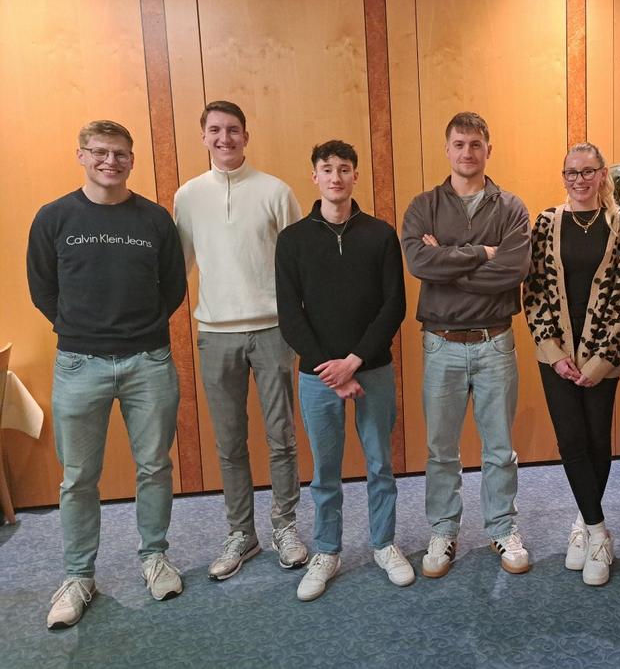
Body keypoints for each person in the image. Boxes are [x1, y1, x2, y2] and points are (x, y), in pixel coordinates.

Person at [27, 120, 187, 628]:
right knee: (78, 478)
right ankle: (78, 576)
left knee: (154, 466)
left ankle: (154, 557)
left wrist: (142, 327)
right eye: (99, 152)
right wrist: (79, 327)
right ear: (81, 155)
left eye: (119, 154)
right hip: (79, 363)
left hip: (149, 360)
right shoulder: (54, 217)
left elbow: (174, 286)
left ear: (132, 160)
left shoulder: (155, 219)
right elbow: (42, 286)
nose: (110, 162)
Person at [174, 101, 307, 580]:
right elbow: (180, 266)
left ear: (246, 136)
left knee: (281, 437)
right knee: (229, 442)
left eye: (233, 130)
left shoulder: (275, 191)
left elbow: (299, 265)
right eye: (215, 130)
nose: (224, 138)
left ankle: (285, 526)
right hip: (215, 335)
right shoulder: (188, 196)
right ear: (203, 137)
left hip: (273, 331)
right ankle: (241, 533)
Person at [275, 139, 411, 601]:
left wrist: (353, 362)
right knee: (325, 471)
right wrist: (329, 371)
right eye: (327, 169)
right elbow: (290, 315)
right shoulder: (293, 240)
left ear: (356, 176)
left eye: (345, 169)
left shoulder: (380, 235)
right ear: (314, 176)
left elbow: (394, 306)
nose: (336, 177)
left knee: (380, 465)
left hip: (372, 370)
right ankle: (327, 550)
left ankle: (384, 543)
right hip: (318, 377)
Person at [401, 111, 532, 577]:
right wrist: (480, 253)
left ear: (488, 150)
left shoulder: (511, 207)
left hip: (495, 342)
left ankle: (502, 527)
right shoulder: (423, 206)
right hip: (442, 345)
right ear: (447, 149)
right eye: (459, 144)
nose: (467, 152)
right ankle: (443, 530)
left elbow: (512, 271)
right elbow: (419, 263)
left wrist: (447, 261)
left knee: (499, 447)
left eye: (476, 144)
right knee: (441, 449)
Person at [523, 142, 620, 586]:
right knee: (571, 440)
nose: (579, 180)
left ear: (602, 174)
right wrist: (555, 354)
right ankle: (597, 531)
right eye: (571, 172)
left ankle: (583, 523)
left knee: (596, 441)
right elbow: (534, 291)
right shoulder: (546, 222)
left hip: (602, 356)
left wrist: (600, 361)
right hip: (556, 355)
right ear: (564, 176)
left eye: (588, 171)